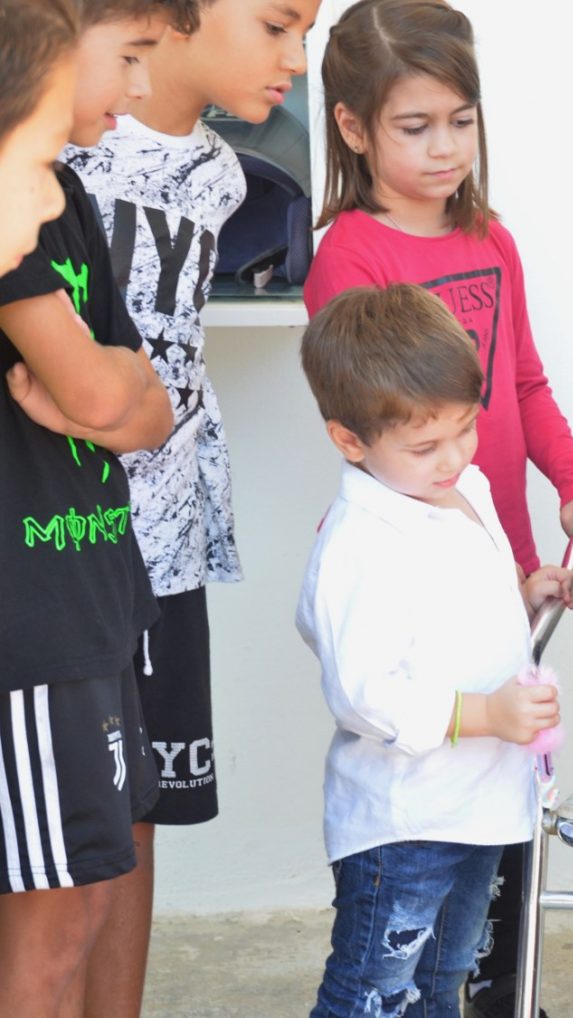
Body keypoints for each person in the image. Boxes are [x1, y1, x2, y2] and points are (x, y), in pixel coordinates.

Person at [302, 5, 573, 1012]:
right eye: (415, 126)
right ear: (354, 129)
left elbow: (523, 384)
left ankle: (495, 990)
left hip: (496, 551)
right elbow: (379, 420)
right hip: (424, 569)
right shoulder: (350, 257)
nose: (445, 148)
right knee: (432, 819)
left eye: (461, 122)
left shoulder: (492, 239)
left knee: (494, 809)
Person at [62, 0, 321, 1008]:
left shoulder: (222, 174)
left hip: (164, 545)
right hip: (59, 543)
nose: (295, 59)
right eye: (276, 25)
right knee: (56, 838)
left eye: (307, 34)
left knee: (139, 812)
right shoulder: (65, 136)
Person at [295, 283, 572, 1018]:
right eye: (424, 446)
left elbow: (450, 617)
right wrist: (487, 714)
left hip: (478, 806)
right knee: (373, 994)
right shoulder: (362, 543)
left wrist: (523, 596)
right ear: (350, 441)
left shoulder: (463, 487)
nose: (453, 457)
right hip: (407, 824)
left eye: (465, 429)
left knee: (441, 980)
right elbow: (364, 693)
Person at [0, 0, 177, 1012]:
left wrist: (112, 395)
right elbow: (108, 399)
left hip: (99, 597)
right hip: (36, 630)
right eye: (130, 56)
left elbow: (144, 407)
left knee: (88, 898)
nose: (140, 88)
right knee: (55, 920)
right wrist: (108, 396)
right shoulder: (16, 209)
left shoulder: (56, 195)